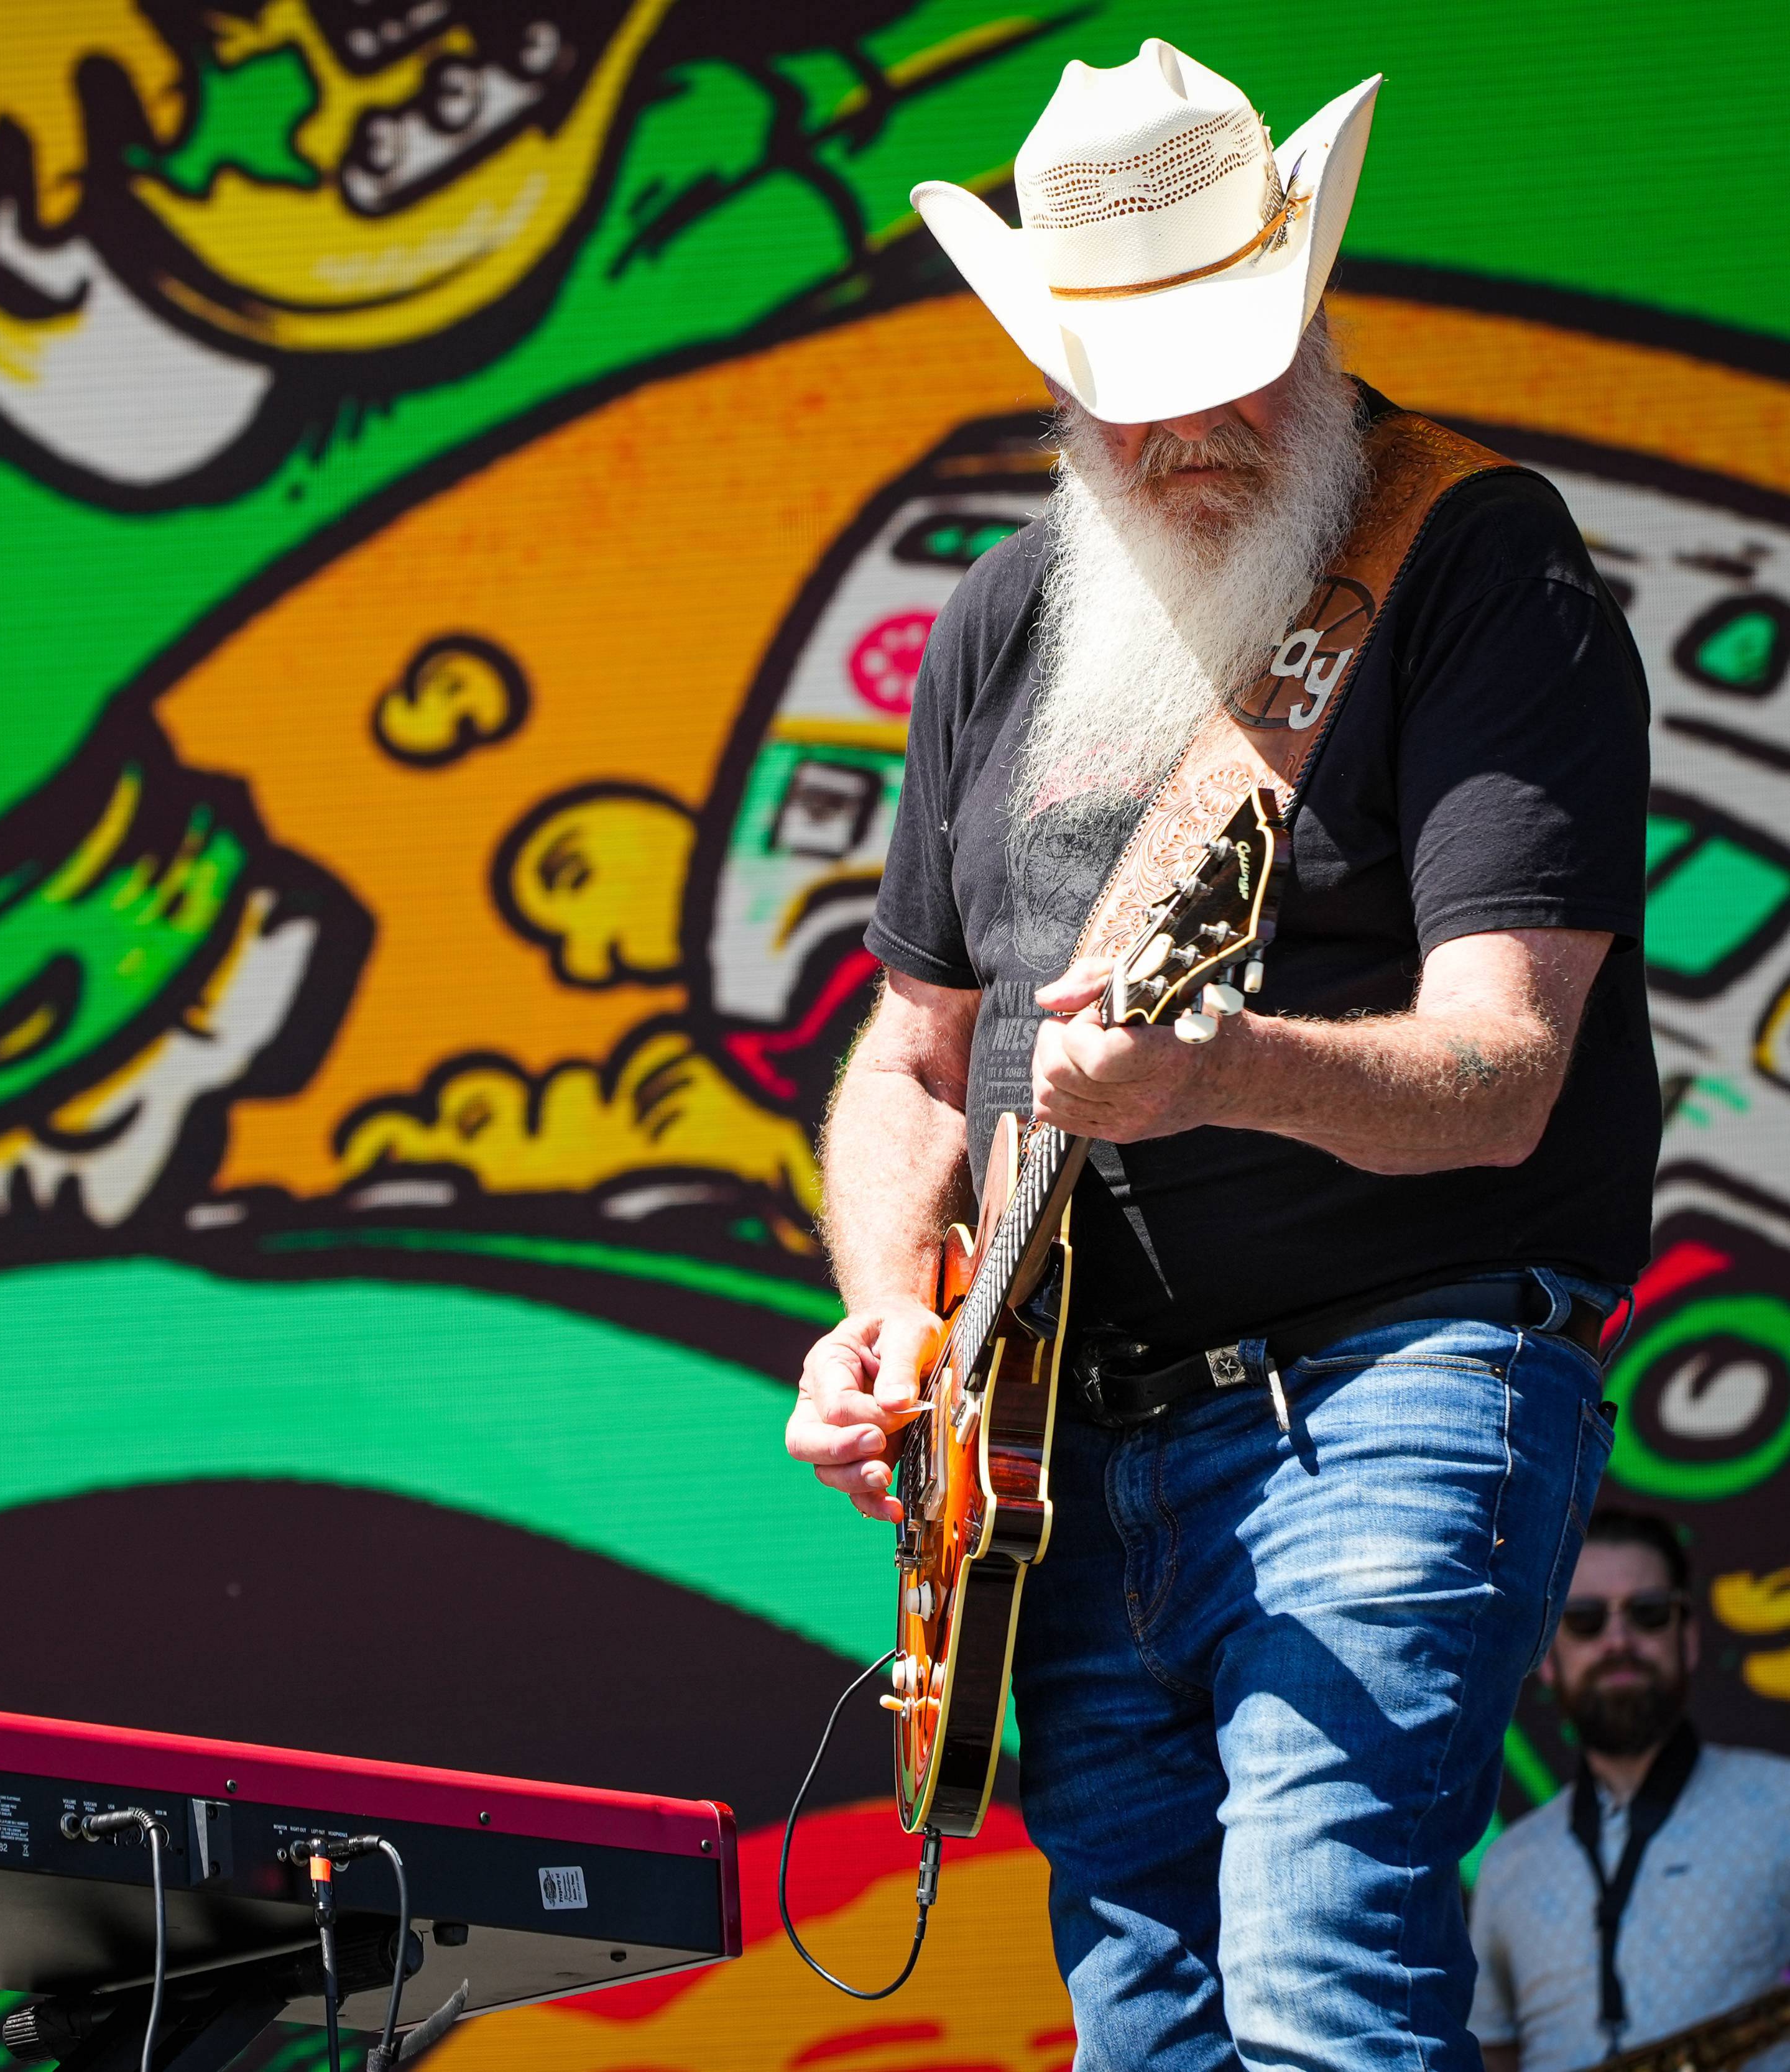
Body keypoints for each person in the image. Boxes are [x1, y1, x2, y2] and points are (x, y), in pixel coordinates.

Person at [779, 37, 1658, 2072]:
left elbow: (1508, 1062)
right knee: (1146, 2038)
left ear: (1316, 310)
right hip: (1059, 1469)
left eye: (1237, 356)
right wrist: (887, 1322)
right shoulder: (1003, 623)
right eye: (1133, 379)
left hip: (1395, 1385)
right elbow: (911, 1066)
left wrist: (1219, 1071)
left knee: (1325, 1994)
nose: (1190, 423)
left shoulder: (1473, 562)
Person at [1470, 1508, 1790, 2072]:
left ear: (1688, 1639)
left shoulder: (1783, 1803)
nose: (1619, 1640)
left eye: (1648, 1613)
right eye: (1586, 1620)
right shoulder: (1506, 1864)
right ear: (1547, 1656)